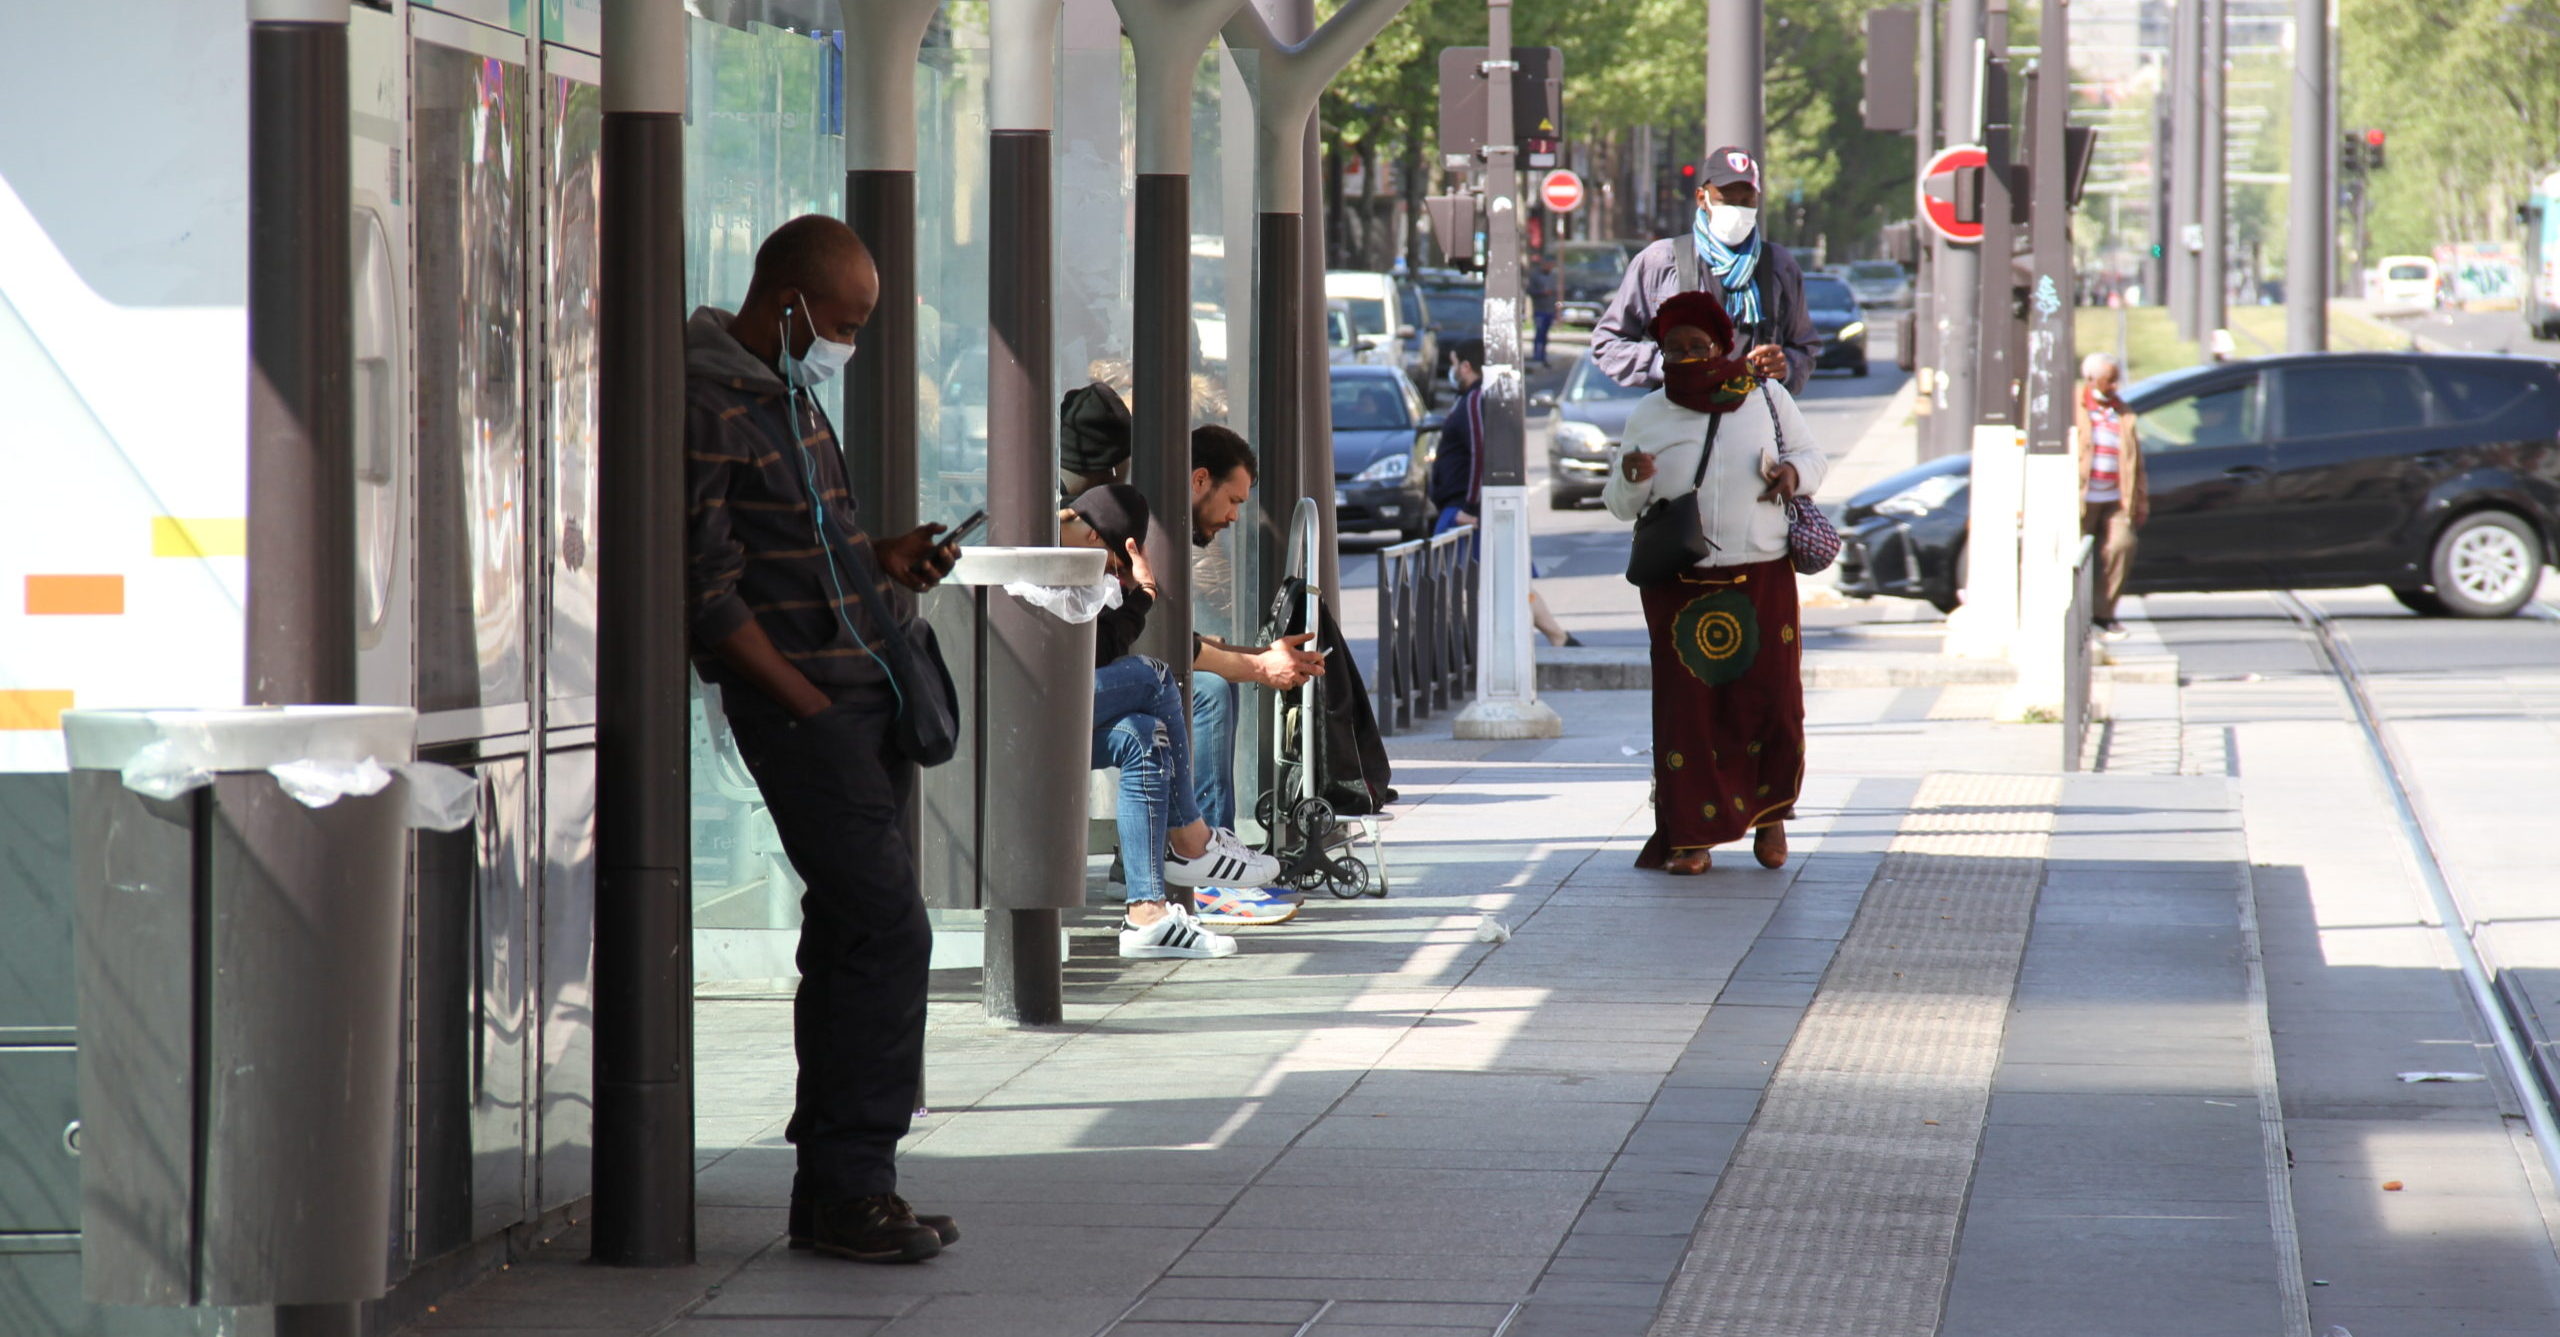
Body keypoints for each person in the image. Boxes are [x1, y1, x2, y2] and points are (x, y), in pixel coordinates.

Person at [683, 215, 962, 1264]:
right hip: (813, 708)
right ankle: (852, 1185)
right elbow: (705, 588)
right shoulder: (707, 398)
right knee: (890, 931)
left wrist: (885, 554)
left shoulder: (785, 386)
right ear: (790, 301)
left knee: (852, 934)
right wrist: (798, 700)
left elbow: (802, 535)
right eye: (842, 323)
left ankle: (841, 1188)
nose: (848, 342)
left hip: (867, 687)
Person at [1602, 290, 1826, 875]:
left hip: (1762, 576)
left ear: (1723, 346)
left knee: (1770, 704)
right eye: (1673, 350)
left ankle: (1771, 818)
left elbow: (1812, 458)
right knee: (1689, 714)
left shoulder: (1767, 397)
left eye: (1697, 346)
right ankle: (1693, 837)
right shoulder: (1649, 413)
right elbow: (1621, 505)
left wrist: (1793, 473)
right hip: (1680, 586)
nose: (1685, 358)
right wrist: (1629, 477)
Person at [1060, 484, 1291, 958]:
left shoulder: (1074, 552)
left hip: (1053, 710)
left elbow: (1101, 646)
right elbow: (1104, 651)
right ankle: (1191, 839)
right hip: (1023, 712)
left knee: (1145, 736)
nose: (1112, 580)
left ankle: (1146, 915)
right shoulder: (1046, 547)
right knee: (1155, 676)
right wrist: (1143, 594)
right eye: (1114, 568)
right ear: (1097, 543)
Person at [1186, 426, 1328, 840]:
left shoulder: (1169, 530)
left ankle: (1208, 842)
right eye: (1233, 501)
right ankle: (1208, 852)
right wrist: (1262, 666)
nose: (1234, 516)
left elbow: (1175, 638)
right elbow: (1170, 646)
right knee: (1210, 690)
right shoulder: (1153, 530)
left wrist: (1264, 654)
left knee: (1219, 682)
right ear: (1199, 480)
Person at [1588, 146, 1818, 395]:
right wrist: (1669, 361)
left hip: (1754, 418)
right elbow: (1607, 345)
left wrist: (1786, 368)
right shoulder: (1660, 262)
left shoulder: (1778, 265)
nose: (1738, 209)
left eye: (1746, 200)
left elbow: (1805, 347)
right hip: (1681, 420)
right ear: (1702, 198)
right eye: (1726, 199)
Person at [1426, 339, 1580, 647]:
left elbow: (1480, 454)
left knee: (1438, 579)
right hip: (1473, 508)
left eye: (1455, 363)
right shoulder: (1478, 399)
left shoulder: (1473, 401)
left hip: (1463, 510)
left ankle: (1437, 653)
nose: (1452, 370)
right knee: (1509, 578)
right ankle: (1557, 636)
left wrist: (1470, 507)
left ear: (1466, 367)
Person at [2075, 352, 2146, 640]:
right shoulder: (2076, 407)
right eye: (2110, 380)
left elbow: (2136, 461)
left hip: (2116, 498)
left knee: (2121, 545)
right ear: (2091, 380)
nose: (2116, 385)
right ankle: (2074, 617)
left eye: (2117, 379)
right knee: (2075, 556)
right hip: (2081, 498)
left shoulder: (2123, 412)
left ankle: (2103, 614)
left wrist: (2141, 501)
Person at [1527, 255, 1560, 368]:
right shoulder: (1535, 275)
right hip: (1540, 309)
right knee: (1539, 333)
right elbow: (1530, 291)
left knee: (1545, 335)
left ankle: (1543, 356)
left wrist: (1557, 310)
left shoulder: (1553, 276)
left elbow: (1556, 294)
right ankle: (1537, 355)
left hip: (1550, 309)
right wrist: (1542, 292)